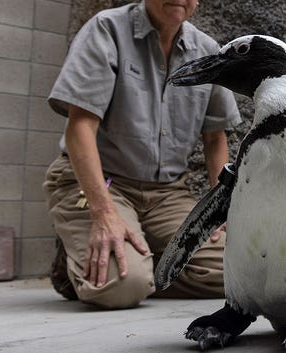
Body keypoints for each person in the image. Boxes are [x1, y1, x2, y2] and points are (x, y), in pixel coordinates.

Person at [43, 0, 242, 309]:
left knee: (237, 270)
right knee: (121, 286)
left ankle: (143, 263)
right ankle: (88, 265)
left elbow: (215, 137)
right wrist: (103, 212)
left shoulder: (207, 50)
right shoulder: (107, 29)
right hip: (103, 185)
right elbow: (80, 126)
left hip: (167, 195)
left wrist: (219, 206)